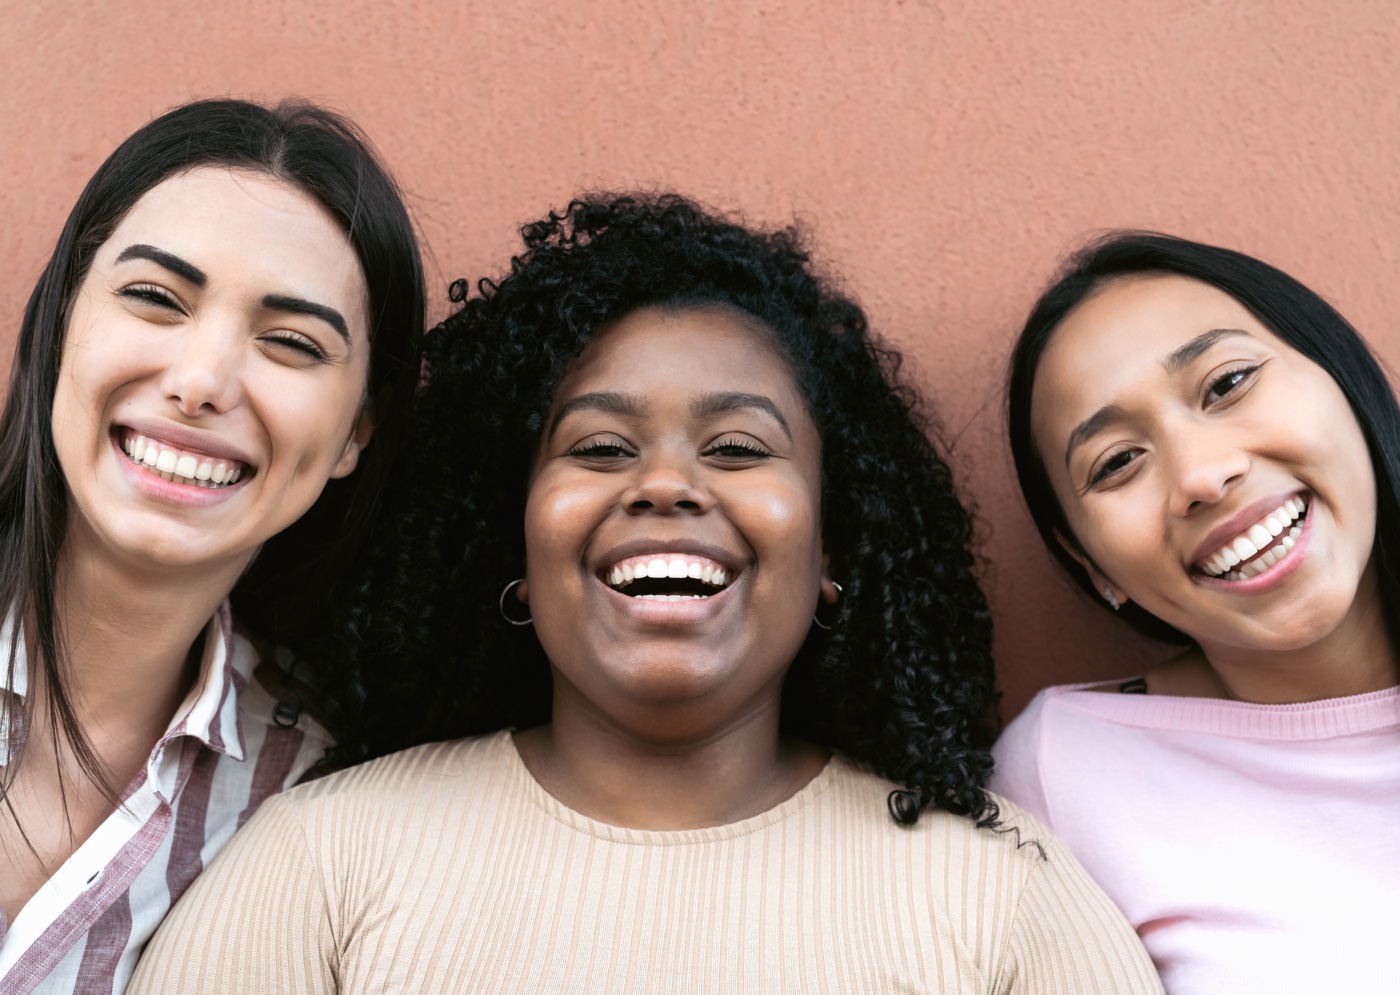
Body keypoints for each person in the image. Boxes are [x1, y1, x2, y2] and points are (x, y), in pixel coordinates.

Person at [131, 194, 1160, 995]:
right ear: (514, 543)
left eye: (737, 447)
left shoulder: (1000, 895)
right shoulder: (323, 862)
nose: (666, 482)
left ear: (835, 546)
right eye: (600, 446)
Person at [0, 98, 424, 994]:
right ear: (60, 324)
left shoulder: (315, 795)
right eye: (155, 298)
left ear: (356, 431)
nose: (200, 381)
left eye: (293, 342)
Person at [992, 232, 1400, 994]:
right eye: (1117, 462)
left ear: (1339, 377)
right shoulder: (1064, 773)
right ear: (1090, 564)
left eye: (1228, 382)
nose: (1203, 475)